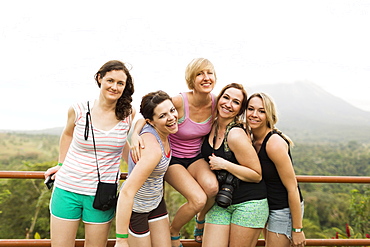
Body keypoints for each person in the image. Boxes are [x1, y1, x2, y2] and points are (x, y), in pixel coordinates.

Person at [44, 60, 135, 247]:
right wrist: (60, 165)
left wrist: (138, 171)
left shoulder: (128, 114)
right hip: (67, 188)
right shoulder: (78, 110)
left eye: (120, 83)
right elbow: (67, 134)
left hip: (102, 195)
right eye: (110, 80)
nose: (114, 87)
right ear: (99, 78)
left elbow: (122, 142)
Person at [130, 58, 218, 246]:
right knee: (198, 199)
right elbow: (149, 114)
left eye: (209, 73)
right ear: (191, 79)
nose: (206, 77)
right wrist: (135, 134)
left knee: (212, 188)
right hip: (173, 159)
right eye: (199, 74)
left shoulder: (216, 103)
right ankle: (174, 231)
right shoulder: (179, 101)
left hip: (196, 157)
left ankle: (200, 221)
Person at [200, 83, 269, 247]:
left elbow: (256, 174)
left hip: (249, 203)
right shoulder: (211, 126)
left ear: (240, 109)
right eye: (226, 97)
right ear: (219, 99)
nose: (228, 104)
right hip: (222, 201)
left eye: (236, 102)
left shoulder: (235, 134)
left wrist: (224, 164)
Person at [115, 90, 178, 247]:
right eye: (162, 116)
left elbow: (142, 120)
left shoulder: (160, 128)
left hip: (156, 202)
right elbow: (127, 191)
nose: (171, 117)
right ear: (152, 121)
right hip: (136, 209)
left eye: (172, 110)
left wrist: (135, 132)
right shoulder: (153, 150)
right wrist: (121, 239)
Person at [246, 92, 306, 247]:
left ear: (269, 114)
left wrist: (297, 229)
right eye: (250, 109)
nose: (254, 114)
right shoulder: (250, 139)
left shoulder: (274, 144)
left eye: (261, 111)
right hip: (267, 207)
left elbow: (293, 188)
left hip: (283, 209)